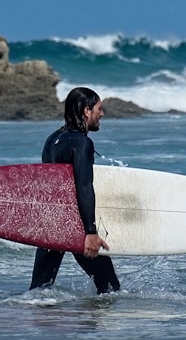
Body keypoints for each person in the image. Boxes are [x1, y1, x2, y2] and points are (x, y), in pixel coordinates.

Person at [29, 86, 121, 294]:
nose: (102, 114)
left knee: (38, 292)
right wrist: (90, 232)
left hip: (51, 224)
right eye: (99, 109)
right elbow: (84, 185)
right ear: (87, 111)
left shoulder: (52, 140)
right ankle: (92, 318)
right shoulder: (82, 143)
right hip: (74, 225)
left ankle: (31, 316)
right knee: (110, 290)